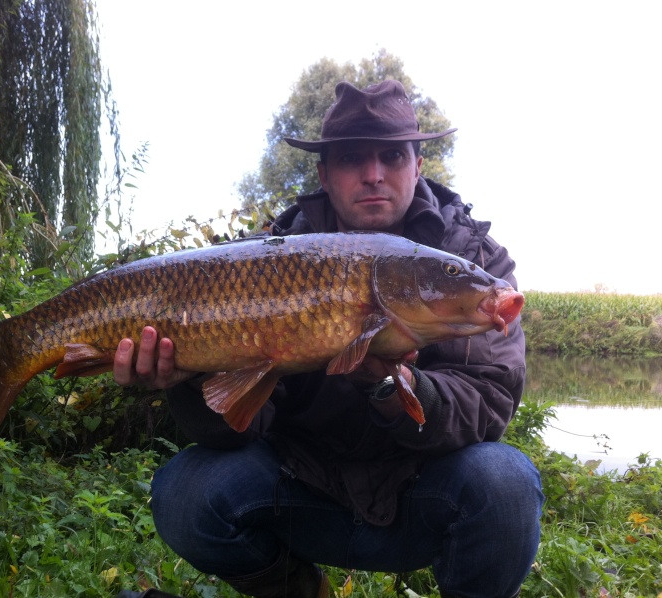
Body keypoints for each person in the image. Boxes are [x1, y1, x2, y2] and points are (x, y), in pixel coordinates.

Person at [113, 80, 543, 598]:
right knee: (185, 492)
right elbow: (237, 427)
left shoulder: (473, 260)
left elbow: (489, 401)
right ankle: (299, 590)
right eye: (351, 158)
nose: (373, 175)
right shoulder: (273, 257)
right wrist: (185, 376)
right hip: (300, 489)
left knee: (506, 483)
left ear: (418, 164)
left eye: (392, 156)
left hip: (422, 493)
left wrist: (393, 385)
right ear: (323, 174)